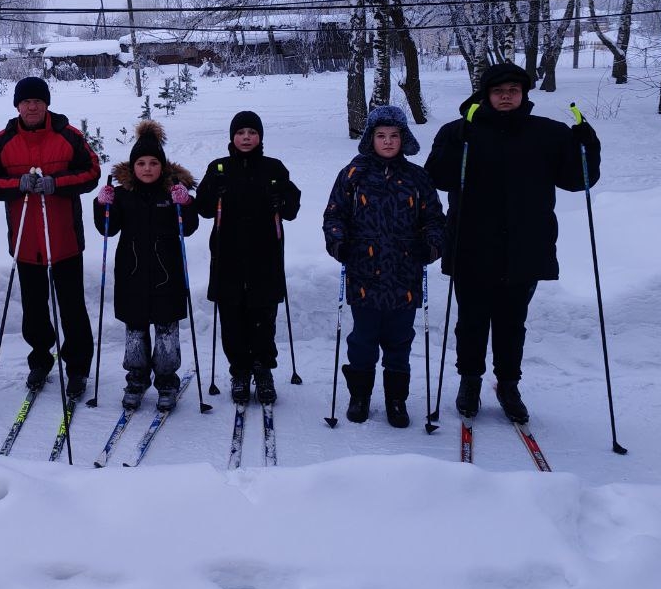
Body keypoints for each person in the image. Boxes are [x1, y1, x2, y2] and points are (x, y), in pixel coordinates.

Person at [425, 62, 601, 423]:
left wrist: (588, 146)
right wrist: (455, 143)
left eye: (513, 91)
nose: (506, 97)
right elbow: (437, 179)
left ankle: (508, 384)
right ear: (486, 95)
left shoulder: (548, 134)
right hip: (471, 244)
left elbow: (577, 180)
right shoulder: (459, 131)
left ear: (523, 94)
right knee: (471, 320)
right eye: (499, 91)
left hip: (524, 246)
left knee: (511, 322)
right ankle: (469, 381)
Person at [0, 76, 101, 399]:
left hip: (64, 240)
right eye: (25, 101)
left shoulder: (68, 136)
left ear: (46, 104)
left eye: (37, 101)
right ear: (17, 105)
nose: (31, 106)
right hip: (26, 239)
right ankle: (41, 360)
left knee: (72, 306)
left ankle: (77, 366)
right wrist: (16, 184)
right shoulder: (2, 141)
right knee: (34, 307)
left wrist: (56, 183)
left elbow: (91, 172)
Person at [322, 106, 445, 427]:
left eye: (394, 136)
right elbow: (334, 215)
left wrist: (431, 244)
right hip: (364, 271)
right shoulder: (353, 174)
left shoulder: (417, 177)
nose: (388, 142)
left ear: (404, 138)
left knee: (399, 340)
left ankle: (396, 400)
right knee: (362, 339)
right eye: (381, 136)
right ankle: (359, 395)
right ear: (370, 139)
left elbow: (434, 219)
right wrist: (338, 241)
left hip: (405, 274)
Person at [194, 110, 300, 406]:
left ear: (260, 137)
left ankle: (262, 369)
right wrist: (213, 189)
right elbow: (202, 207)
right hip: (227, 255)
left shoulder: (273, 167)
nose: (246, 138)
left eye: (252, 133)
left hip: (264, 255)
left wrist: (282, 199)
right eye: (240, 133)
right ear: (232, 137)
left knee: (263, 316)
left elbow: (292, 207)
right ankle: (239, 370)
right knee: (232, 317)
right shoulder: (218, 168)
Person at [93, 120, 198, 412]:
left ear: (163, 166)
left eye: (154, 163)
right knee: (135, 332)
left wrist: (186, 204)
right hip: (132, 275)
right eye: (141, 163)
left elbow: (187, 229)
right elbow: (108, 229)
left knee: (166, 332)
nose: (148, 168)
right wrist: (103, 205)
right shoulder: (124, 194)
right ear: (133, 166)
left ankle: (166, 380)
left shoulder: (172, 193)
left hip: (168, 276)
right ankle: (136, 379)